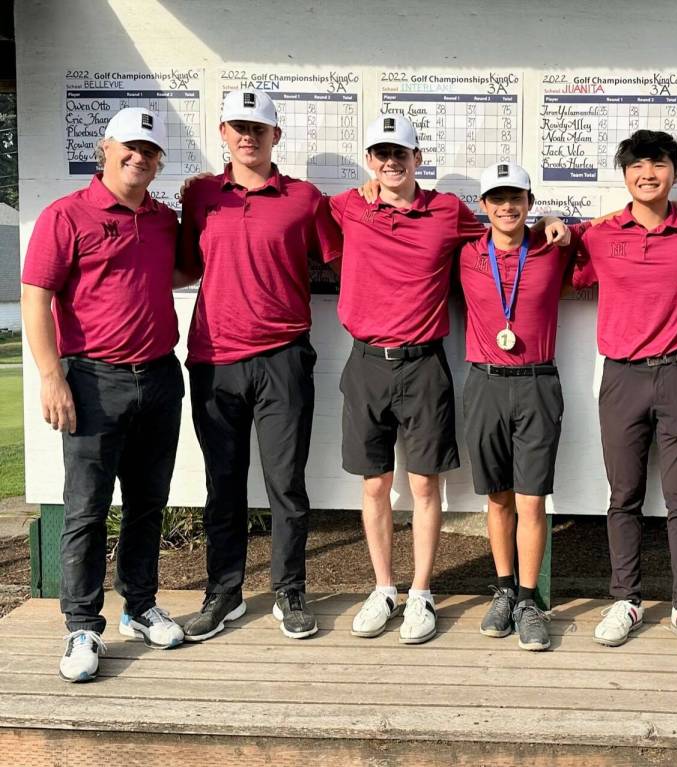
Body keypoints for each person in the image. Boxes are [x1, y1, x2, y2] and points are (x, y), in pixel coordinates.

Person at [331, 115, 568, 645]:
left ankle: (421, 593)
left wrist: (552, 216)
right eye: (381, 154)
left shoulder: (448, 213)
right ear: (370, 160)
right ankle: (383, 587)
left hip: (424, 363)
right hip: (366, 360)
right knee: (374, 485)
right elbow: (322, 233)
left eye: (402, 154)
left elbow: (512, 228)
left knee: (424, 485)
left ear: (419, 160)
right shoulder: (349, 205)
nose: (391, 163)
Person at [22, 108, 186, 681]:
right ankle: (82, 626)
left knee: (148, 503)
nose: (140, 156)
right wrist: (50, 375)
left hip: (161, 376)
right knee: (86, 510)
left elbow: (179, 272)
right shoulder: (66, 215)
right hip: (92, 381)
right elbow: (36, 296)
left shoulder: (164, 220)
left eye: (151, 149)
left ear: (160, 160)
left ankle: (139, 607)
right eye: (130, 146)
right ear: (106, 147)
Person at [178, 89, 343, 642]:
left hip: (283, 357)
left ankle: (289, 590)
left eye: (259, 128)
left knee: (286, 484)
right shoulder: (200, 194)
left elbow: (343, 258)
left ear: (277, 137)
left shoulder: (305, 198)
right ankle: (222, 593)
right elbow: (179, 264)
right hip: (214, 360)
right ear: (223, 133)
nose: (249, 136)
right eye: (238, 127)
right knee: (222, 485)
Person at [573, 130, 677, 655]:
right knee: (624, 496)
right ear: (625, 174)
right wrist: (549, 224)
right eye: (637, 165)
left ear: (673, 173)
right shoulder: (601, 234)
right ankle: (627, 599)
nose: (647, 173)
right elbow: (556, 248)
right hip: (622, 376)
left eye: (658, 164)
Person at [460, 162, 582, 651]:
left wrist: (564, 223)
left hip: (536, 382)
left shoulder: (553, 250)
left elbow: (619, 223)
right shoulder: (466, 253)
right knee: (497, 497)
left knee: (532, 499)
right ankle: (505, 589)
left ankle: (531, 599)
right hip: (484, 383)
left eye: (517, 198)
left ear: (530, 204)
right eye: (497, 198)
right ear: (484, 207)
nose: (507, 207)